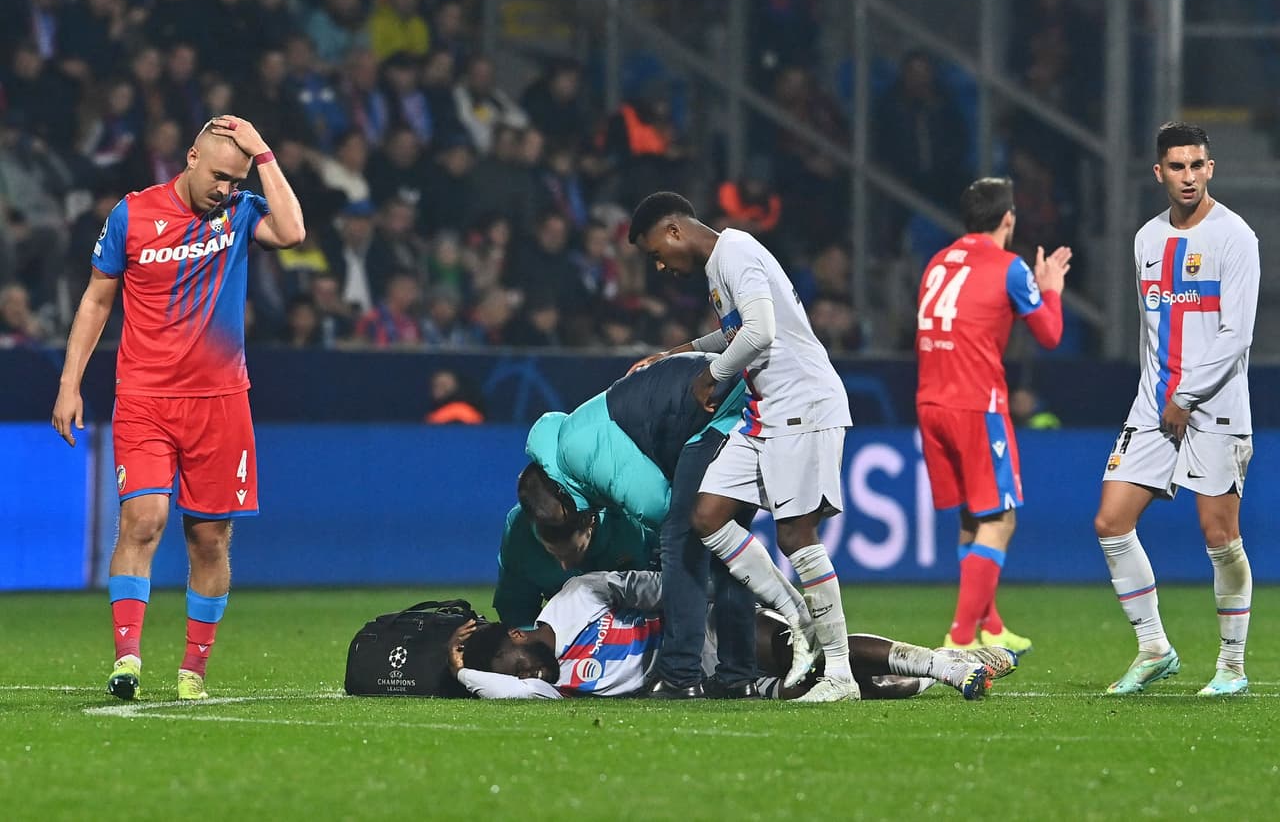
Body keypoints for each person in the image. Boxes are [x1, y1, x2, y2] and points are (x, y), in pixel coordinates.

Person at [51, 116, 305, 702]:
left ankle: (193, 671)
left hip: (221, 401)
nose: (224, 188)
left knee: (209, 540)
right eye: (218, 175)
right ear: (190, 157)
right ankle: (127, 661)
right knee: (143, 521)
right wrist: (71, 383)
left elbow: (292, 232)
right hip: (144, 398)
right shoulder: (133, 214)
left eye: (234, 179)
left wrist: (263, 152)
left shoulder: (240, 212)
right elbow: (95, 299)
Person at [628, 191, 854, 702]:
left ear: (673, 231)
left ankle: (839, 674)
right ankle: (800, 619)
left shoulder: (737, 253)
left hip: (802, 405)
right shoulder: (720, 267)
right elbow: (736, 333)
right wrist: (679, 353)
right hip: (767, 413)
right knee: (706, 515)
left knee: (796, 533)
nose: (660, 267)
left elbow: (761, 333)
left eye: (656, 254)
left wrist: (711, 376)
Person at [1093, 122, 1258, 697]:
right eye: (1177, 166)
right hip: (1154, 405)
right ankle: (1154, 648)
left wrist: (1187, 396)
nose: (1188, 176)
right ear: (1159, 172)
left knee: (1219, 535)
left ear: (1210, 168)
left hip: (1212, 407)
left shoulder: (1236, 237)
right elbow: (1152, 331)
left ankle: (1232, 666)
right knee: (1111, 522)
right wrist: (1160, 395)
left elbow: (1236, 336)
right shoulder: (1145, 239)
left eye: (1197, 165)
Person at [496, 353, 760, 699]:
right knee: (716, 560)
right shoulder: (527, 526)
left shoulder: (607, 489)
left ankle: (691, 673)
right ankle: (735, 673)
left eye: (571, 552)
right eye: (552, 555)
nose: (564, 567)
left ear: (591, 523)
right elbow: (515, 613)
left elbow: (668, 530)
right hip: (723, 405)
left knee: (689, 550)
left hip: (721, 411)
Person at [914, 178, 1072, 656]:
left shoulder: (937, 263)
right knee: (1000, 518)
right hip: (974, 404)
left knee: (972, 516)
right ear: (1008, 220)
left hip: (930, 403)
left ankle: (992, 625)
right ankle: (960, 640)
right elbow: (1049, 334)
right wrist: (1051, 289)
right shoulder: (1010, 268)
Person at [448, 570, 1017, 701]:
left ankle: (945, 665)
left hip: (704, 633)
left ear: (519, 636)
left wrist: (701, 604)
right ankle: (905, 679)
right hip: (696, 686)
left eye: (517, 664)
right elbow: (515, 693)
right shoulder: (551, 687)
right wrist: (461, 671)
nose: (530, 677)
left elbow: (648, 586)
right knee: (804, 695)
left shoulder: (577, 598)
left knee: (804, 657)